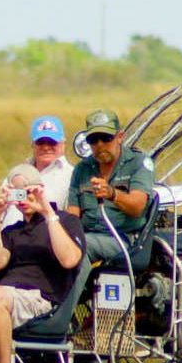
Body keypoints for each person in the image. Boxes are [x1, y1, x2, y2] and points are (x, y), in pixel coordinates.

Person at [0, 164, 85, 363]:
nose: (23, 199)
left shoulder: (66, 222)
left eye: (28, 191)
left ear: (40, 190)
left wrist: (48, 213)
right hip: (5, 298)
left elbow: (69, 259)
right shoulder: (12, 231)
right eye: (17, 193)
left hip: (40, 300)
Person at [66, 109, 155, 264]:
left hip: (123, 238)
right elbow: (73, 215)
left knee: (80, 247)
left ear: (119, 137)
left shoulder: (138, 162)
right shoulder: (82, 169)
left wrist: (112, 194)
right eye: (93, 140)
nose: (100, 145)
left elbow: (137, 207)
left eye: (106, 138)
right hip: (87, 234)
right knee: (59, 245)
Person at [1, 116, 74, 226]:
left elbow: (72, 222)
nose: (46, 147)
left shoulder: (72, 175)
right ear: (33, 144)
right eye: (41, 142)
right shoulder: (17, 173)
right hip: (6, 234)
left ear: (63, 144)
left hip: (44, 234)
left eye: (52, 142)